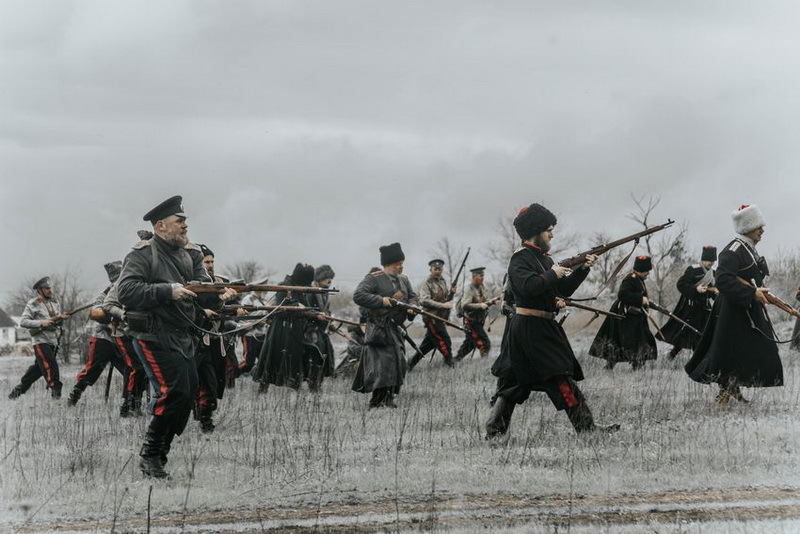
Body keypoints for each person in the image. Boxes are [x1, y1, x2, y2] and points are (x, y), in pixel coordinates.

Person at [117, 195, 237, 478]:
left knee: (186, 395)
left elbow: (205, 297)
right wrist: (167, 290)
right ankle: (150, 457)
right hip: (153, 335)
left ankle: (160, 454)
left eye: (185, 221)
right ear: (161, 226)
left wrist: (222, 298)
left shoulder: (191, 255)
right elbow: (126, 292)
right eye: (179, 221)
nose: (185, 226)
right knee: (173, 393)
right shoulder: (142, 254)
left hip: (184, 336)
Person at [486, 203, 617, 439]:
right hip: (530, 328)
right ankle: (586, 429)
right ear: (536, 231)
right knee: (559, 377)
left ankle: (495, 431)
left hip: (540, 327)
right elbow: (527, 288)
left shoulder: (544, 259)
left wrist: (582, 269)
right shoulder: (520, 259)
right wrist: (553, 273)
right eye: (548, 230)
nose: (552, 234)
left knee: (515, 381)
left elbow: (562, 289)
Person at [685, 204, 783, 404]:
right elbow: (723, 280)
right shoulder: (733, 250)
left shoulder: (748, 249)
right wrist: (752, 292)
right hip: (733, 311)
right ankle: (724, 393)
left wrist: (761, 293)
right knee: (731, 352)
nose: (762, 230)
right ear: (748, 227)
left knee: (751, 350)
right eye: (758, 226)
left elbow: (751, 278)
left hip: (746, 308)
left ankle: (733, 388)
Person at [352, 243, 418, 408]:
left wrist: (412, 308)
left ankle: (388, 399)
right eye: (398, 263)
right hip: (379, 329)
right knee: (382, 368)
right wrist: (381, 301)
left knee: (399, 364)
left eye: (402, 262)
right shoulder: (373, 278)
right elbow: (359, 296)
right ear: (388, 264)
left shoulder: (404, 279)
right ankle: (377, 402)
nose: (401, 266)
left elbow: (413, 297)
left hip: (395, 329)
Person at [253, 263, 328, 392]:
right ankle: (263, 388)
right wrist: (297, 305)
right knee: (271, 359)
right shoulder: (283, 287)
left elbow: (307, 308)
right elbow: (282, 307)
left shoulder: (303, 290)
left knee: (304, 356)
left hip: (296, 330)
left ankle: (303, 386)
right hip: (280, 330)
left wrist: (316, 315)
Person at [66, 262, 129, 407]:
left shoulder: (128, 290)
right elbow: (97, 311)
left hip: (122, 339)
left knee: (132, 369)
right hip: (104, 340)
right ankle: (75, 394)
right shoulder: (103, 296)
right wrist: (110, 316)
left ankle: (129, 402)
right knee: (91, 370)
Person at [588, 255, 658, 370]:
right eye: (646, 271)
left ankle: (637, 364)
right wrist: (640, 299)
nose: (648, 274)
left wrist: (645, 302)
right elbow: (622, 295)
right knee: (620, 341)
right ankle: (615, 365)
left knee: (639, 341)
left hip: (634, 317)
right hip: (625, 317)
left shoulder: (638, 279)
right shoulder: (631, 278)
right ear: (640, 270)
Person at [9, 277, 69, 399]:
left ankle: (16, 392)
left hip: (53, 341)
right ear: (40, 290)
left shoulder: (55, 303)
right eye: (46, 288)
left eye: (50, 288)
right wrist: (42, 323)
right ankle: (56, 394)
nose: (49, 290)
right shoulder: (33, 304)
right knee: (51, 365)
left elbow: (57, 323)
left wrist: (61, 319)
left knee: (37, 370)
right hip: (40, 341)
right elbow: (23, 322)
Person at [656, 246, 718, 360]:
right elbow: (681, 285)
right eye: (709, 260)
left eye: (713, 261)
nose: (711, 263)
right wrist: (695, 289)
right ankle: (673, 354)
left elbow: (712, 291)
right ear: (704, 259)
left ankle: (699, 358)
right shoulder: (693, 270)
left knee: (704, 333)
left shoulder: (713, 273)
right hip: (691, 308)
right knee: (687, 332)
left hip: (705, 308)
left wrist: (716, 293)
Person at [409, 259, 454, 369]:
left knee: (428, 345)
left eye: (440, 269)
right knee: (445, 340)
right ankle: (450, 364)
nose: (438, 271)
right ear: (431, 269)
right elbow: (424, 300)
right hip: (431, 318)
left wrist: (452, 293)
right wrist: (442, 305)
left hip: (440, 317)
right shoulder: (426, 283)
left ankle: (409, 364)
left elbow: (446, 298)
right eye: (435, 269)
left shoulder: (442, 281)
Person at [454, 267, 493, 360]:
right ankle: (484, 363)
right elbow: (465, 305)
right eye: (480, 276)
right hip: (471, 321)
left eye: (483, 275)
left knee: (470, 343)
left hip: (478, 321)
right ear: (474, 277)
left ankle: (454, 361)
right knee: (485, 342)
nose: (482, 277)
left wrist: (492, 302)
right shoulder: (469, 289)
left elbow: (484, 302)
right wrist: (480, 306)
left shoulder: (482, 287)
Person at [236, 280, 270, 377]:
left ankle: (259, 379)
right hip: (250, 335)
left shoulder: (262, 301)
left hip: (261, 334)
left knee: (264, 361)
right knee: (248, 363)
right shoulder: (248, 299)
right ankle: (233, 374)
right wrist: (261, 317)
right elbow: (244, 318)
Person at [312, 264, 337, 378]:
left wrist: (330, 321)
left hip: (322, 329)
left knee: (327, 354)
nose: (330, 280)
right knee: (317, 355)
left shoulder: (325, 292)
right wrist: (317, 316)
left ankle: (318, 381)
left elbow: (327, 310)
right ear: (320, 278)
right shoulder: (311, 291)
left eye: (331, 277)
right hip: (311, 329)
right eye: (327, 277)